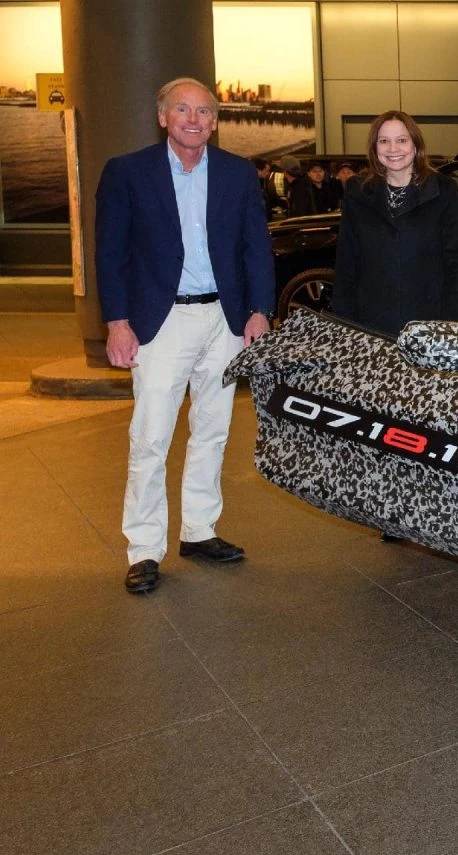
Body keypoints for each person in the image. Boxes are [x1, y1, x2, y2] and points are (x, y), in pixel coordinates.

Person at [95, 77, 273, 594]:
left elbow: (255, 248)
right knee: (151, 436)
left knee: (213, 428)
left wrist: (259, 311)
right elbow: (110, 253)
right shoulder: (128, 173)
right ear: (163, 117)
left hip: (224, 319)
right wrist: (117, 321)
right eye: (182, 110)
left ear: (215, 121)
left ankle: (199, 531)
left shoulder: (238, 174)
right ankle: (144, 549)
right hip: (159, 321)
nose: (193, 120)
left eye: (203, 112)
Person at [331, 110, 458, 338]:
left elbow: (456, 264)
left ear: (415, 146)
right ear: (375, 148)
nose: (392, 149)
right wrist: (345, 325)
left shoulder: (443, 190)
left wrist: (454, 327)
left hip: (429, 325)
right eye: (384, 141)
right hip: (370, 326)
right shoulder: (357, 191)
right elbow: (347, 261)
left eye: (401, 140)